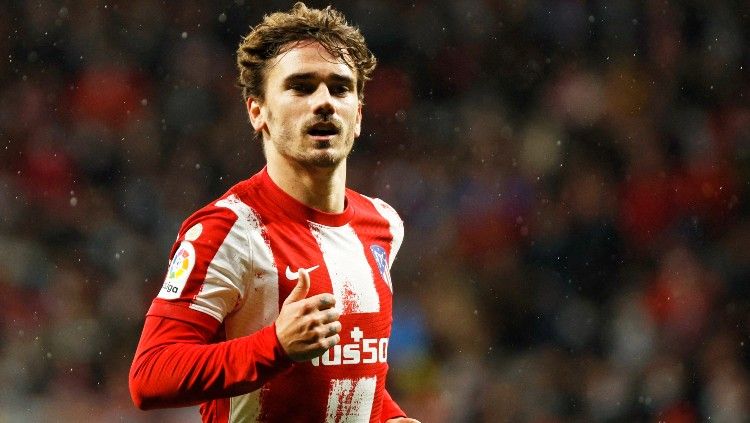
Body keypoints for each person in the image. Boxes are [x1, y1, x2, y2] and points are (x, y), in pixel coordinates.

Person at [128, 3, 420, 423]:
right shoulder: (228, 230)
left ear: (357, 115)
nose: (324, 102)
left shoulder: (383, 226)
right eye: (301, 87)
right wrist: (275, 346)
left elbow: (346, 377)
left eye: (340, 88)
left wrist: (388, 417)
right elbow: (150, 377)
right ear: (257, 110)